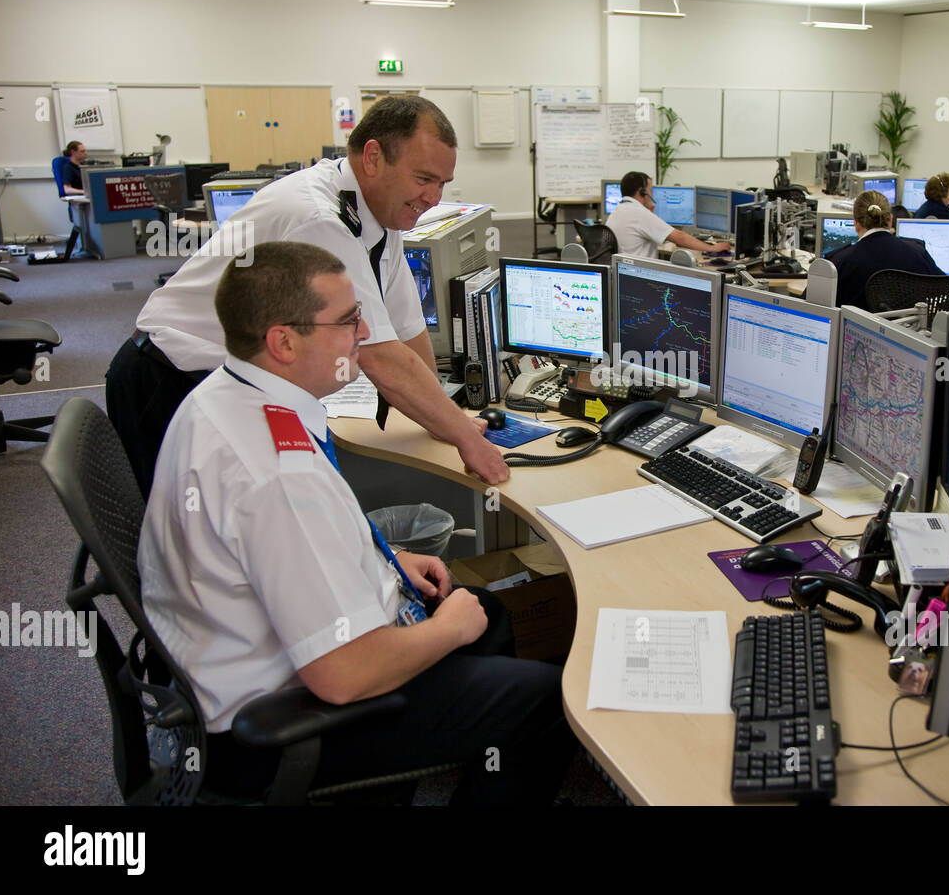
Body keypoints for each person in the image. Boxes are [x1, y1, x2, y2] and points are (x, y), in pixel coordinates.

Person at [138, 241, 575, 802]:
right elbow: (341, 675)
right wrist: (446, 632)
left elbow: (287, 542)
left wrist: (384, 559)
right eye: (347, 321)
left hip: (233, 671)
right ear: (284, 341)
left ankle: (439, 753)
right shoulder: (276, 474)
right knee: (544, 698)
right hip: (279, 728)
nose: (365, 333)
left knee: (486, 612)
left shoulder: (226, 396)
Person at [106, 95, 508, 499]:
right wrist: (466, 440)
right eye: (423, 179)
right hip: (170, 376)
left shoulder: (380, 217)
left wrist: (446, 419)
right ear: (373, 158)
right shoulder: (321, 218)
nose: (434, 197)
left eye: (442, 183)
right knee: (196, 541)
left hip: (229, 378)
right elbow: (380, 356)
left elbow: (406, 327)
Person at [827, 191, 944, 311]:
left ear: (856, 223)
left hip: (855, 329)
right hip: (908, 329)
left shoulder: (838, 263)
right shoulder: (918, 253)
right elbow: (948, 288)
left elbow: (812, 307)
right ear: (890, 219)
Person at [605, 171, 733, 262]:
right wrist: (713, 248)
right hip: (640, 274)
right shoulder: (639, 213)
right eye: (650, 190)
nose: (651, 193)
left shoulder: (618, 211)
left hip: (624, 273)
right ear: (642, 192)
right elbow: (680, 237)